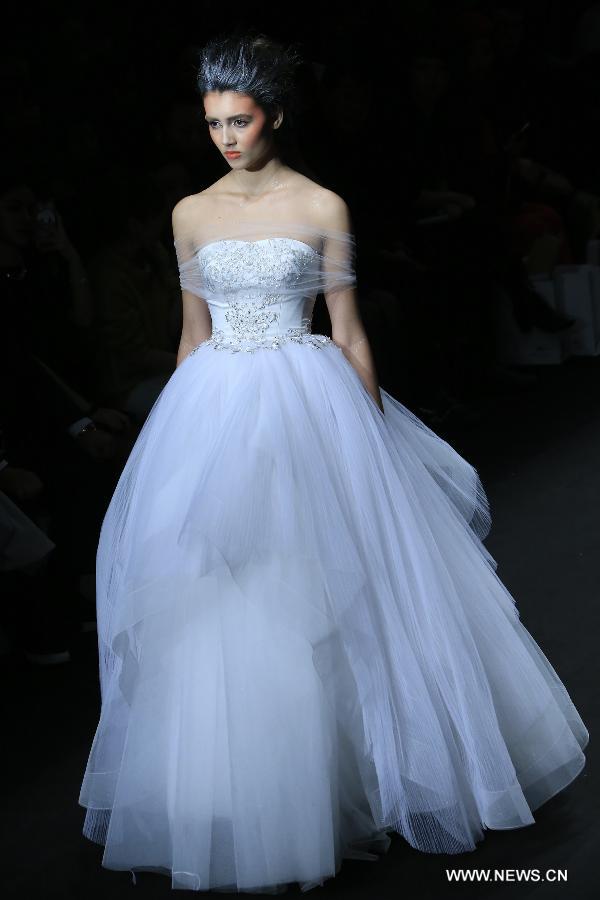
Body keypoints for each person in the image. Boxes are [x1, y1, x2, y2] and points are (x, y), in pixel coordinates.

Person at [78, 32, 589, 894]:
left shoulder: (322, 204)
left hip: (311, 406)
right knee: (227, 597)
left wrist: (373, 442)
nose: (226, 139)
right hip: (211, 410)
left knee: (324, 588)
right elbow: (190, 337)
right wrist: (172, 448)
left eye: (239, 120)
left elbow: (347, 329)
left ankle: (347, 784)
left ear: (274, 113)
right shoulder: (190, 212)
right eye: (212, 124)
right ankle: (247, 794)